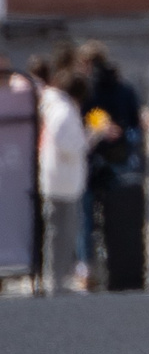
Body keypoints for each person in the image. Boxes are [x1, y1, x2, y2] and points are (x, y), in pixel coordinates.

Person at [77, 42, 147, 291]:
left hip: (91, 160)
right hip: (119, 159)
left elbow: (82, 119)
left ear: (86, 64)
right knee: (118, 215)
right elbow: (136, 122)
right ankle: (116, 263)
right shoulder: (124, 87)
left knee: (86, 215)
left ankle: (87, 268)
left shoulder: (87, 90)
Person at [36, 62, 88, 297]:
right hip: (62, 182)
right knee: (61, 234)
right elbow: (68, 145)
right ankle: (56, 280)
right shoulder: (64, 111)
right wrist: (90, 137)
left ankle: (58, 278)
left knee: (60, 233)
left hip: (59, 180)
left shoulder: (56, 107)